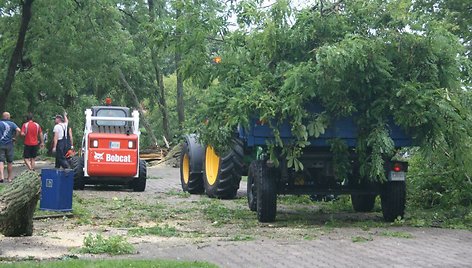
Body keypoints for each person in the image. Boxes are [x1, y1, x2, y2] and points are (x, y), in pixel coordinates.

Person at [0, 112, 21, 183]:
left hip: (0, 144)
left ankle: (2, 176)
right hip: (9, 144)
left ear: (3, 117)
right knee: (9, 161)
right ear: (8, 117)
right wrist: (14, 138)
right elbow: (19, 130)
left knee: (1, 161)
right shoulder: (12, 124)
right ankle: (9, 178)